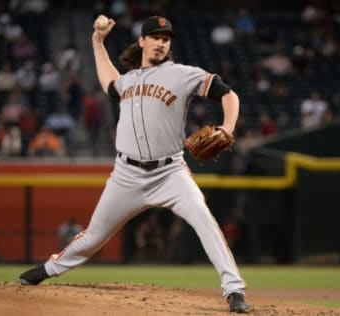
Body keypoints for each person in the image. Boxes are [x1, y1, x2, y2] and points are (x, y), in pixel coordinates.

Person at [18, 15, 250, 313]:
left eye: (165, 39)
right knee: (92, 237)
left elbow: (229, 94)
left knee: (205, 222)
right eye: (155, 36)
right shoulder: (128, 81)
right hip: (126, 174)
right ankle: (49, 269)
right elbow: (108, 82)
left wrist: (227, 128)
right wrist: (97, 41)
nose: (161, 42)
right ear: (142, 41)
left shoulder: (184, 74)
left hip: (170, 172)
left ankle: (234, 291)